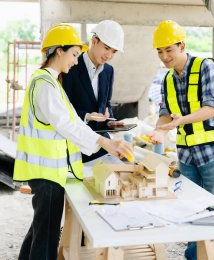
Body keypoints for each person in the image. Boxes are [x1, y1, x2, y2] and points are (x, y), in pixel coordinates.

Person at [13, 23, 132, 260]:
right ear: (59, 51)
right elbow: (66, 125)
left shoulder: (51, 82)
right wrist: (105, 142)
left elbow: (74, 121)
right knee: (46, 238)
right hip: (46, 173)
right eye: (74, 54)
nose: (77, 61)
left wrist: (104, 140)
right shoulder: (45, 85)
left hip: (51, 170)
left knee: (40, 229)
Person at [147, 20, 214, 260]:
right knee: (192, 211)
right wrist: (158, 131)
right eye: (160, 51)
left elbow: (211, 109)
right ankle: (195, 257)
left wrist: (179, 121)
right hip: (187, 155)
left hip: (213, 153)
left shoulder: (206, 67)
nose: (164, 56)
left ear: (182, 45)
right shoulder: (167, 79)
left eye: (169, 50)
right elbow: (166, 112)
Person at [62, 20, 124, 162]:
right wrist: (87, 115)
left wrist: (110, 120)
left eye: (113, 51)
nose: (109, 55)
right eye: (107, 48)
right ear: (94, 41)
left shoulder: (108, 70)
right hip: (76, 140)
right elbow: (63, 110)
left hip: (101, 140)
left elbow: (106, 102)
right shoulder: (70, 67)